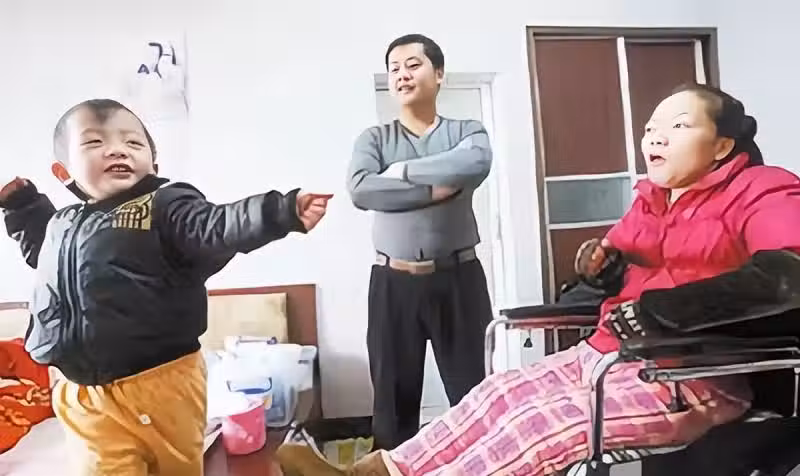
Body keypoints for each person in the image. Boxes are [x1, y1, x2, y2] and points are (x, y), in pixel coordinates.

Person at [277, 84, 800, 475]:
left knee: (535, 423)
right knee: (499, 393)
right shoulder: (653, 199)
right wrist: (596, 262)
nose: (655, 137)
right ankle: (374, 472)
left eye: (679, 126)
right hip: (610, 353)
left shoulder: (764, 189)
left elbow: (787, 274)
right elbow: (609, 259)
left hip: (693, 376)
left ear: (722, 146)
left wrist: (666, 311)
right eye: (650, 128)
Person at [0, 98, 332, 475]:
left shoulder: (163, 207)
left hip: (160, 382)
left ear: (153, 164)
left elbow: (217, 226)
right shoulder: (62, 224)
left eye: (133, 142)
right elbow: (45, 255)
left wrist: (279, 212)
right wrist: (23, 206)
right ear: (64, 172)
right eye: (94, 142)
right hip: (83, 393)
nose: (117, 149)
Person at [344, 33, 495, 451]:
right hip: (393, 283)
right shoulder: (374, 139)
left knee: (474, 397)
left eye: (413, 65)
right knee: (392, 404)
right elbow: (361, 189)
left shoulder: (467, 131)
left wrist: (401, 172)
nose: (402, 75)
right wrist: (432, 190)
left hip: (459, 280)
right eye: (394, 69)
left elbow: (475, 161)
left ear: (439, 74)